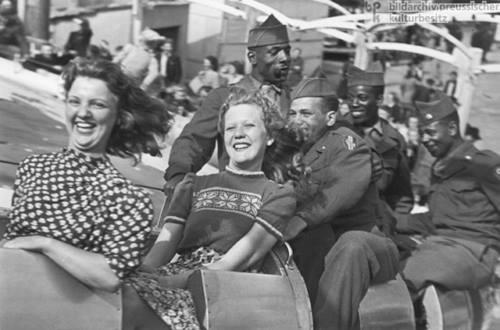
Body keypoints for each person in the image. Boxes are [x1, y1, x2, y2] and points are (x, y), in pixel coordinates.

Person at [122, 90, 299, 330]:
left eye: (249, 126)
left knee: (133, 301)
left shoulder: (277, 195)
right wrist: (138, 273)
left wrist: (172, 281)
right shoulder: (193, 185)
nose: (238, 134)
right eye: (230, 128)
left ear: (269, 136)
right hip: (176, 274)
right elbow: (162, 248)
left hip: (224, 290)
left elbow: (240, 259)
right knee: (118, 290)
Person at [0, 59, 171, 291]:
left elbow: (109, 277)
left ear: (119, 116)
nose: (83, 113)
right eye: (74, 101)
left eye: (97, 105)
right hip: (13, 290)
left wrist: (45, 244)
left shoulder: (130, 200)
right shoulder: (32, 167)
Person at [284, 77, 399, 330]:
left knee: (350, 246)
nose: (296, 119)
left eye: (306, 113)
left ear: (331, 118)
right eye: (292, 113)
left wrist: (302, 219)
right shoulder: (291, 151)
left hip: (367, 243)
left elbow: (343, 190)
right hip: (320, 246)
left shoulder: (347, 143)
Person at [164, 14, 291, 194]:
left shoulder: (298, 101)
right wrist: (179, 172)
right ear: (252, 57)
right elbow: (195, 140)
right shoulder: (223, 97)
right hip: (236, 198)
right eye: (275, 51)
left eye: (287, 51)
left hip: (287, 201)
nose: (285, 57)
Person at [398, 95, 500, 312]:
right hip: (440, 245)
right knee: (386, 253)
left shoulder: (483, 164)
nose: (425, 139)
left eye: (431, 132)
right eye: (423, 132)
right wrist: (390, 221)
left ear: (452, 128)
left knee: (410, 273)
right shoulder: (441, 168)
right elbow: (436, 219)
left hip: (475, 251)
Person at [347, 65, 414, 234]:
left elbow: (401, 193)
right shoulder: (336, 130)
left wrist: (395, 224)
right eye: (351, 98)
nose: (354, 104)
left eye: (362, 98)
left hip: (375, 223)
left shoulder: (394, 140)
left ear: (378, 100)